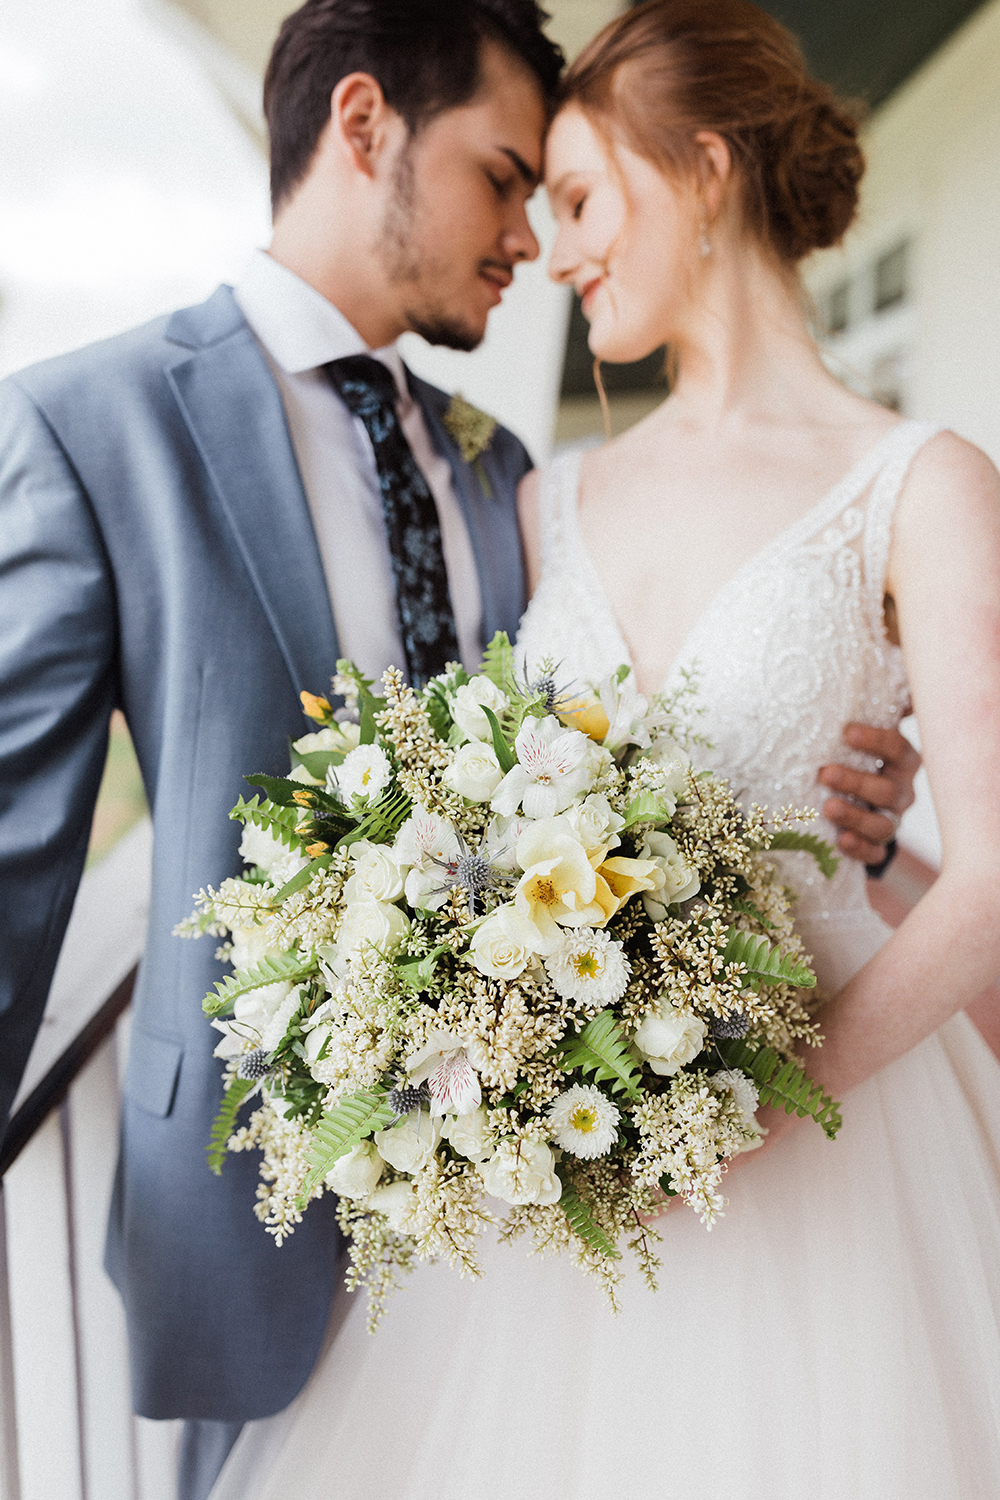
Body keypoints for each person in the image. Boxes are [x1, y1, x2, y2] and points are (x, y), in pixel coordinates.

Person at [0, 1, 913, 1496]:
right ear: (364, 129)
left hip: (556, 1196)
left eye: (557, 197)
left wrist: (837, 803)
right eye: (504, 178)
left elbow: (641, 744)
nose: (527, 242)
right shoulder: (89, 425)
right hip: (257, 1204)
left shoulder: (510, 471)